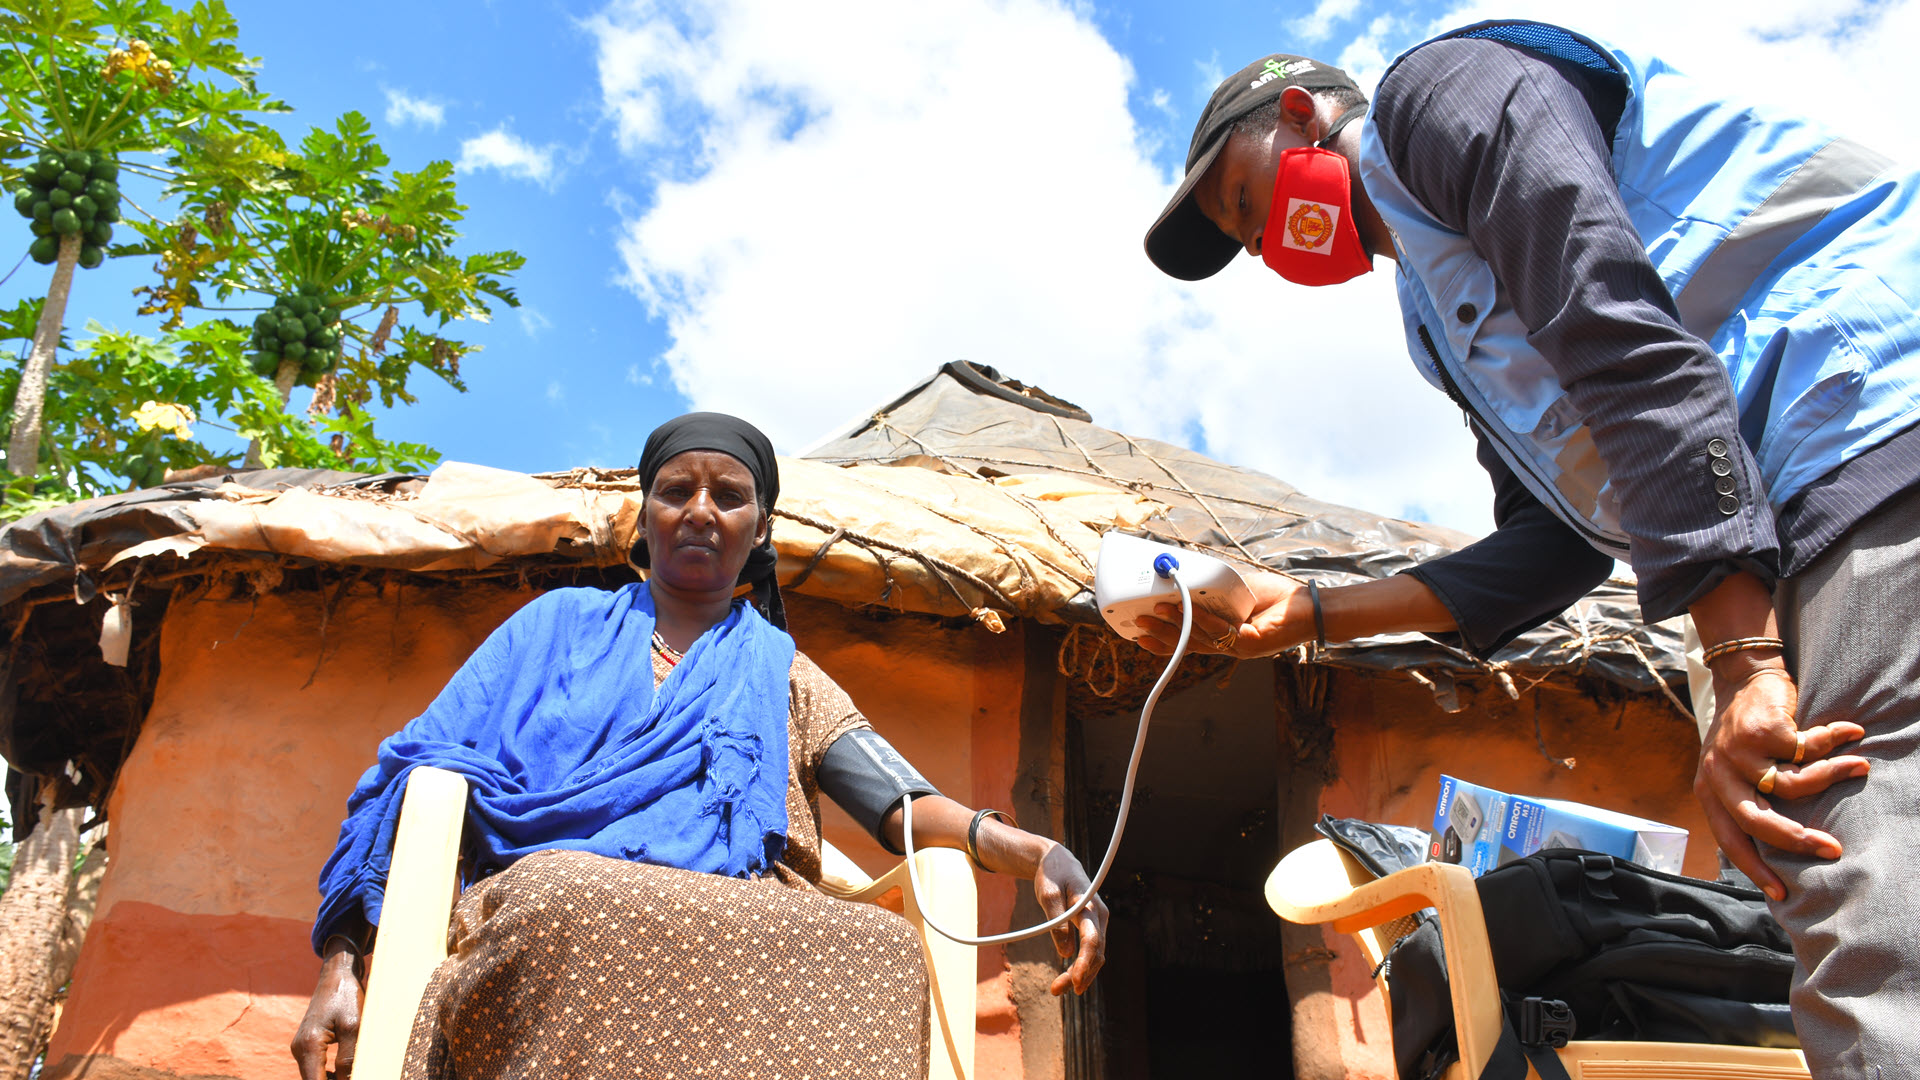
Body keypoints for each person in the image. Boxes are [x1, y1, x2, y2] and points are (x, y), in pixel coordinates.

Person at [1138, 20, 1920, 1075]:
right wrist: (1311, 613)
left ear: (1298, 114)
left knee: (1854, 913)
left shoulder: (1437, 97)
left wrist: (1744, 659)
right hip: (1795, 512)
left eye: (1246, 203)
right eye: (1248, 246)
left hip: (1866, 418)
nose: (1267, 243)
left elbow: (1610, 316)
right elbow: (1552, 548)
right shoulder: (1434, 322)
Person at [291, 412, 1108, 1080]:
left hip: (746, 907)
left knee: (880, 950)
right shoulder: (554, 627)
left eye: (729, 494)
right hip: (558, 891)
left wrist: (1033, 850)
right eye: (676, 490)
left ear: (760, 529)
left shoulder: (781, 671)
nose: (701, 508)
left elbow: (895, 799)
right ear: (644, 515)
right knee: (568, 897)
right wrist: (343, 963)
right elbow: (415, 771)